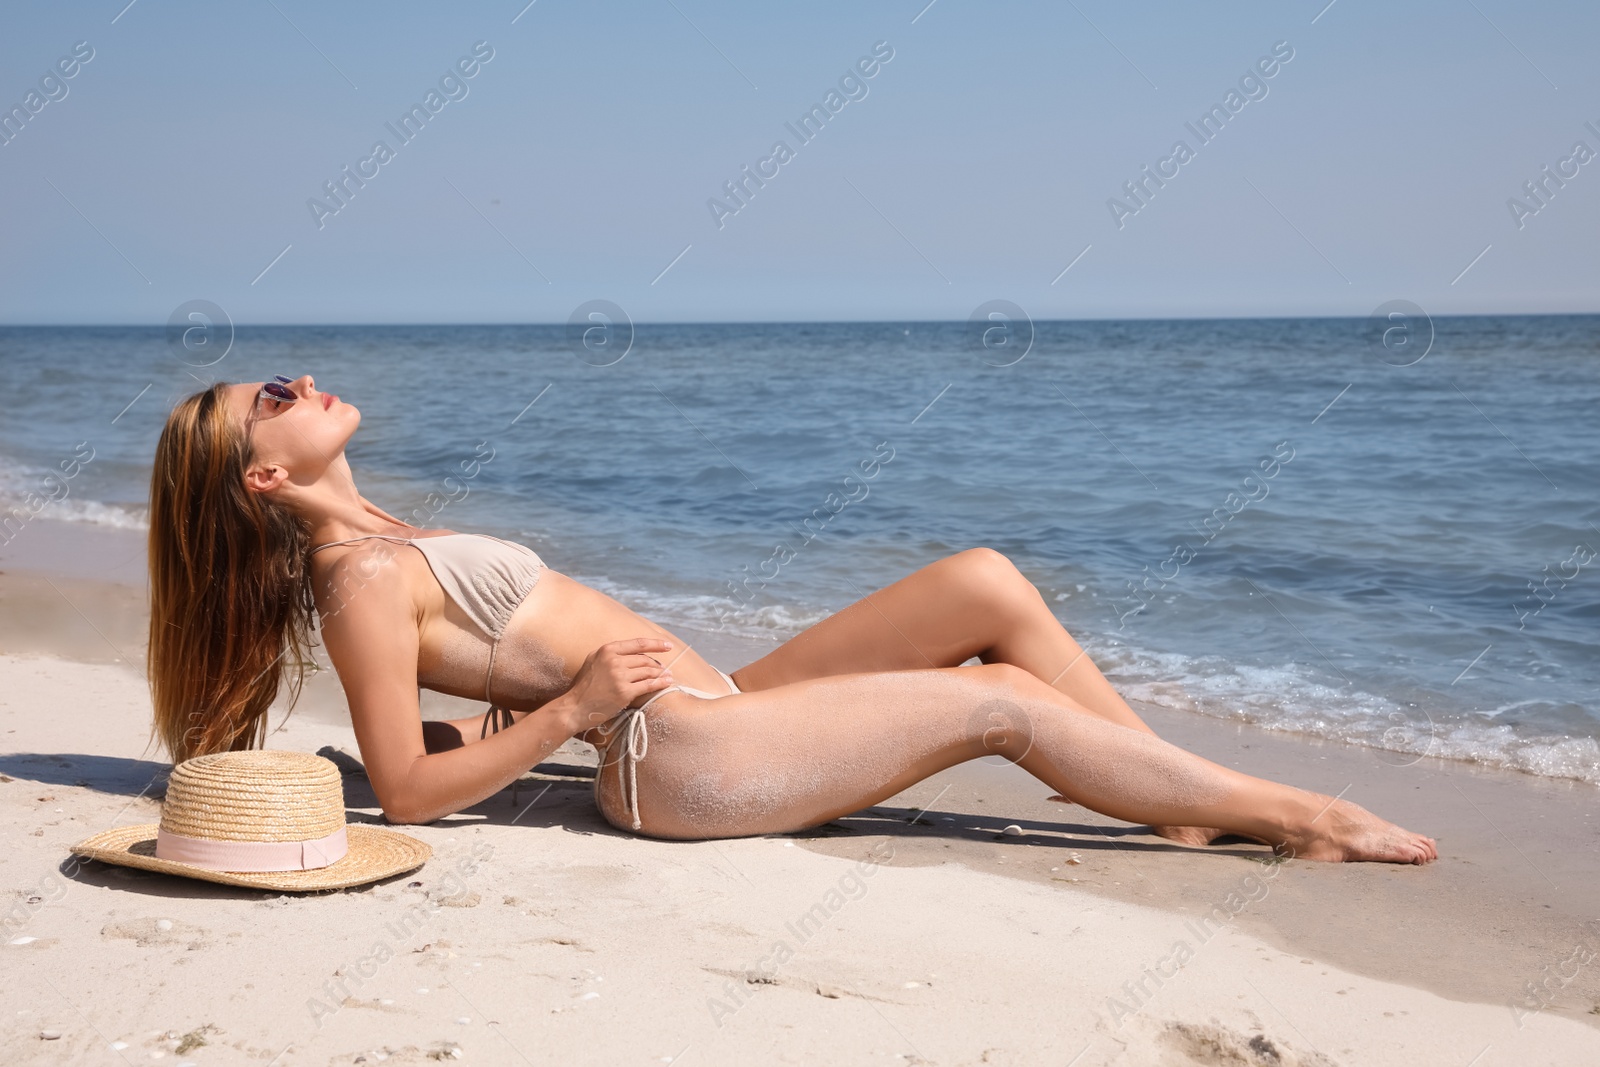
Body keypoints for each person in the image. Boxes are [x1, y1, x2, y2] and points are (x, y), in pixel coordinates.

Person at [145, 375, 1437, 864]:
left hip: (714, 717)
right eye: (275, 394)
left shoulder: (387, 541)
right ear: (265, 475)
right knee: (1004, 702)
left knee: (983, 582)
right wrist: (574, 713)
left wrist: (536, 692)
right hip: (680, 763)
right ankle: (1303, 817)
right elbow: (412, 795)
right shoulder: (360, 578)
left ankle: (1179, 796)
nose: (303, 381)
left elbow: (493, 655)